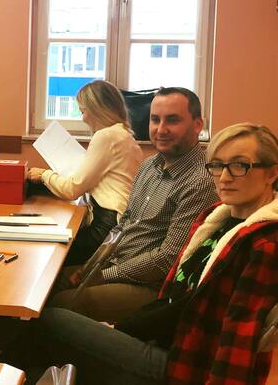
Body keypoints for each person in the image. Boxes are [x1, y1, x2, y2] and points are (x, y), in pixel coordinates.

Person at [3, 123, 278, 385]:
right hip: (165, 338)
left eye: (240, 166)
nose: (225, 177)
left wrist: (123, 329)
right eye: (217, 166)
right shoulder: (217, 220)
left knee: (51, 322)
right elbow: (176, 299)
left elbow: (238, 340)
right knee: (46, 344)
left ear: (272, 173)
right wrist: (123, 329)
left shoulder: (262, 245)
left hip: (183, 366)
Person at [44, 87, 219, 321]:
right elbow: (123, 225)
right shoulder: (149, 167)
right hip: (116, 264)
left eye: (172, 120)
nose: (161, 129)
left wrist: (104, 275)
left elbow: (167, 259)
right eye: (155, 120)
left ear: (198, 125)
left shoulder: (200, 181)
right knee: (45, 281)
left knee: (60, 304)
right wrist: (91, 266)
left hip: (151, 286)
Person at [29, 80, 143, 265]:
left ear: (97, 109)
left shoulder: (106, 136)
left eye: (83, 111)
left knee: (50, 253)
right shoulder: (126, 136)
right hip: (117, 223)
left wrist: (44, 175)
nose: (83, 118)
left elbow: (72, 189)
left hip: (106, 225)